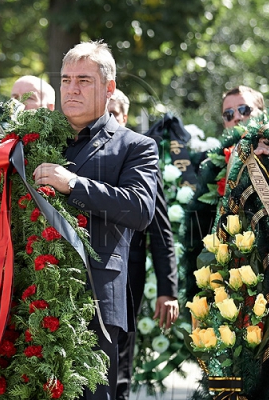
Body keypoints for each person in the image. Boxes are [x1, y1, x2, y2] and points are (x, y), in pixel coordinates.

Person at [33, 41, 159, 400]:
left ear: (109, 88)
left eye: (84, 80)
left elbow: (139, 209)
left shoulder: (136, 146)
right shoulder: (35, 141)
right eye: (67, 79)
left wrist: (72, 184)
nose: (71, 88)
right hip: (30, 297)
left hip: (95, 305)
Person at [107, 89, 179, 400]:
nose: (108, 119)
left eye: (114, 113)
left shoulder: (139, 156)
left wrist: (167, 289)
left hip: (127, 278)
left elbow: (160, 230)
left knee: (119, 361)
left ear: (124, 117)